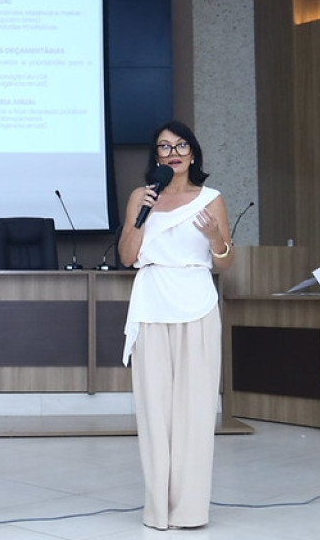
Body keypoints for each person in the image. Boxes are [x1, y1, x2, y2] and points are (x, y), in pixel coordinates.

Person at [119, 120, 234, 531]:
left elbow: (225, 261)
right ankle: (157, 509)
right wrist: (142, 217)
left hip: (196, 303)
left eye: (181, 145)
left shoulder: (211, 199)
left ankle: (189, 509)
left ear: (193, 152)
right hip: (151, 302)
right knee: (155, 411)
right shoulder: (141, 197)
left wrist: (216, 236)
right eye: (165, 147)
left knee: (195, 411)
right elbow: (127, 257)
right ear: (156, 156)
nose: (173, 153)